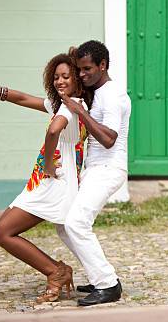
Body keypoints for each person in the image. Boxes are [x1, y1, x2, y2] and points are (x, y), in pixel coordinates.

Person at [0, 52, 90, 303]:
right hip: (50, 182)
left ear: (77, 79)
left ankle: (57, 271)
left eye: (66, 76)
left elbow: (55, 129)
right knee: (72, 233)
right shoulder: (62, 105)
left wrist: (46, 164)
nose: (59, 81)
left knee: (3, 232)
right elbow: (22, 98)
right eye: (56, 77)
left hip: (54, 183)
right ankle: (92, 277)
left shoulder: (70, 106)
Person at [56, 40, 131, 306]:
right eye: (80, 69)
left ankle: (108, 285)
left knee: (76, 223)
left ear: (103, 65)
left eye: (88, 69)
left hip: (108, 169)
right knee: (64, 223)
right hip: (94, 169)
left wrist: (80, 112)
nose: (82, 74)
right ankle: (100, 275)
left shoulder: (112, 95)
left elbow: (109, 138)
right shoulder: (97, 91)